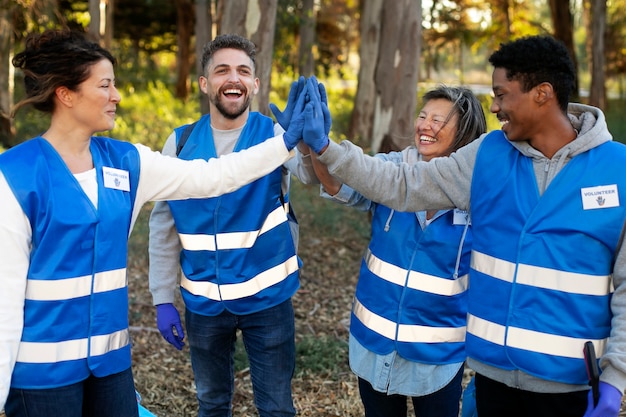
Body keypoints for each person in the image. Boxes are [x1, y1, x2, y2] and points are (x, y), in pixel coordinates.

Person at [298, 35, 626, 417]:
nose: (494, 106)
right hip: (492, 379)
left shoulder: (617, 169)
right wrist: (325, 148)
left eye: (502, 94)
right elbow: (403, 184)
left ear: (542, 94)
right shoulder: (489, 155)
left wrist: (616, 377)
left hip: (570, 385)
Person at [0, 28, 315, 417]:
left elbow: (214, 176)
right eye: (105, 85)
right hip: (42, 370)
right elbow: (4, 299)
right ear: (66, 94)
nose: (117, 95)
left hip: (110, 362)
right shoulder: (14, 175)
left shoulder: (127, 161)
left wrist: (288, 141)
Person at [147, 35, 318, 417]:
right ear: (205, 83)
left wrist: (308, 143)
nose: (233, 79)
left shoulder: (276, 134)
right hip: (204, 303)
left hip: (268, 300)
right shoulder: (181, 142)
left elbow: (312, 178)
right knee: (211, 404)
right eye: (221, 70)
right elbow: (163, 224)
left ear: (256, 84)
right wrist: (162, 297)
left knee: (276, 407)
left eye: (243, 71)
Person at [306, 85, 486, 417]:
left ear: (465, 134)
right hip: (374, 342)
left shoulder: (479, 193)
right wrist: (312, 143)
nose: (425, 126)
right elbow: (334, 183)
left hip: (439, 356)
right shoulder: (390, 169)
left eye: (438, 120)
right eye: (423, 116)